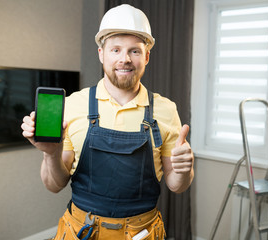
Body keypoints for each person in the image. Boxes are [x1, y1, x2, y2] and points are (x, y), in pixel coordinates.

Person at [21, 4, 194, 240]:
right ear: (101, 53)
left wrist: (185, 169)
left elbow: (177, 185)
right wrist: (51, 153)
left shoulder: (166, 109)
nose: (125, 59)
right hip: (81, 231)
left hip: (141, 234)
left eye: (134, 51)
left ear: (147, 56)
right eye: (115, 50)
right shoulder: (73, 104)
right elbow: (54, 185)